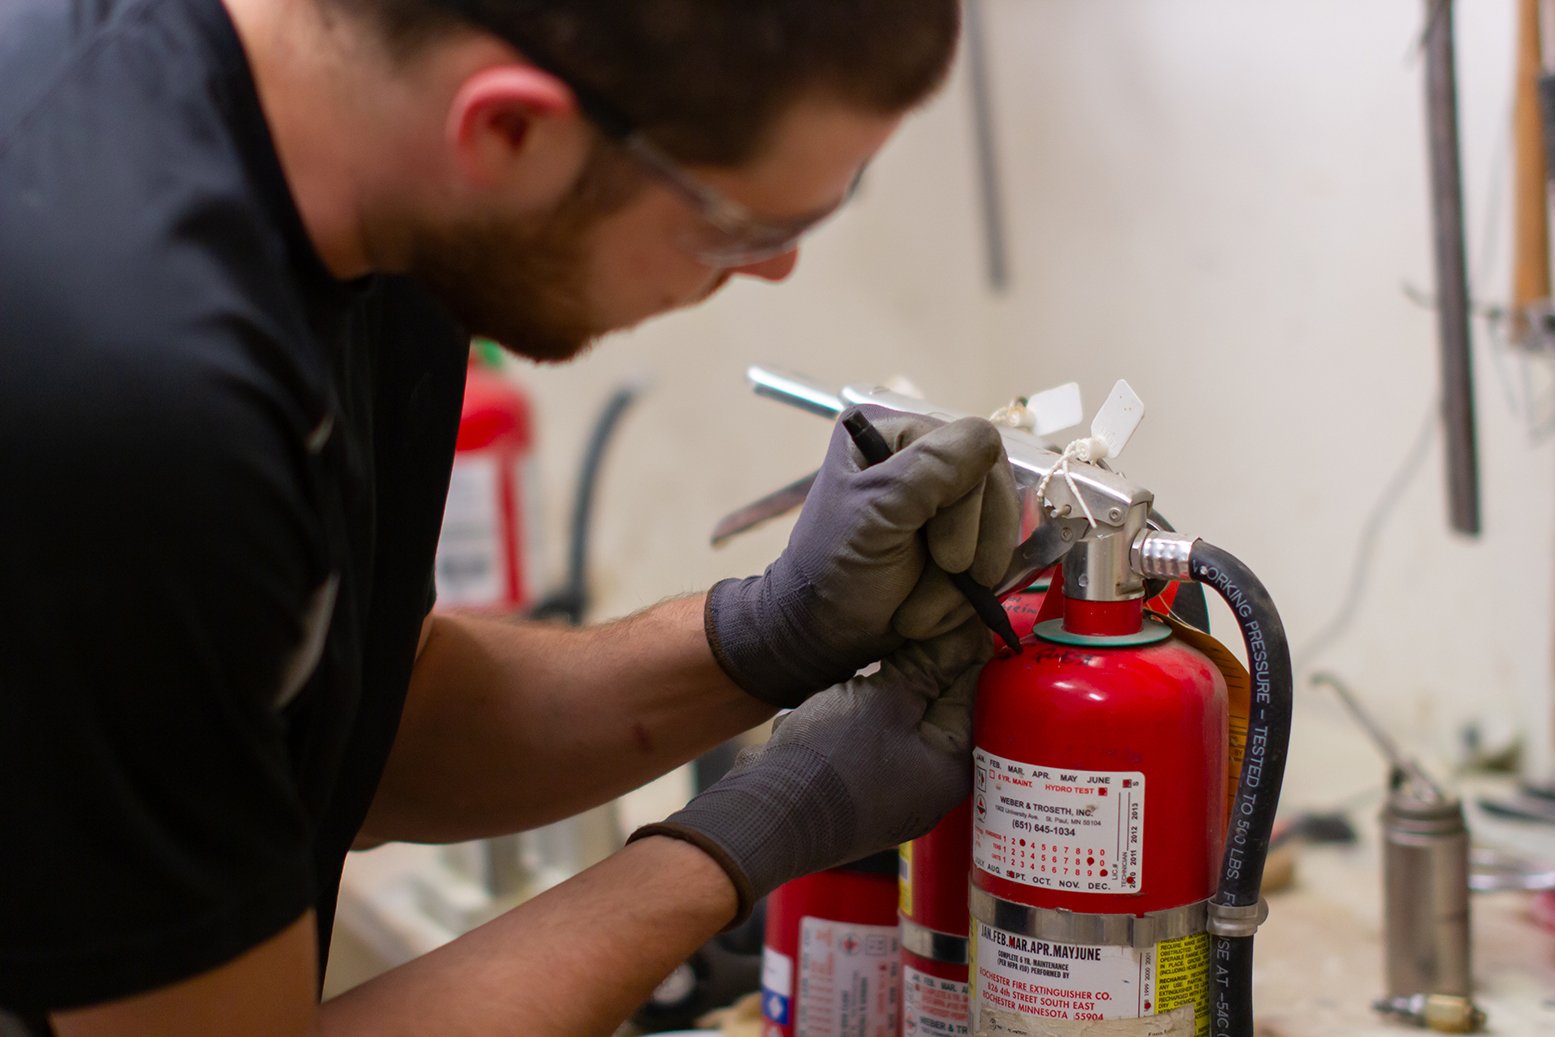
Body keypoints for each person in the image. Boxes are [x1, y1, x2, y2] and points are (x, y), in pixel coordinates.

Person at [0, 1, 1021, 1034]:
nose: (772, 269)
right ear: (508, 131)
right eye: (746, 227)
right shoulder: (131, 395)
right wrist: (740, 836)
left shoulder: (386, 204)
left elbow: (349, 728)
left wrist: (770, 633)